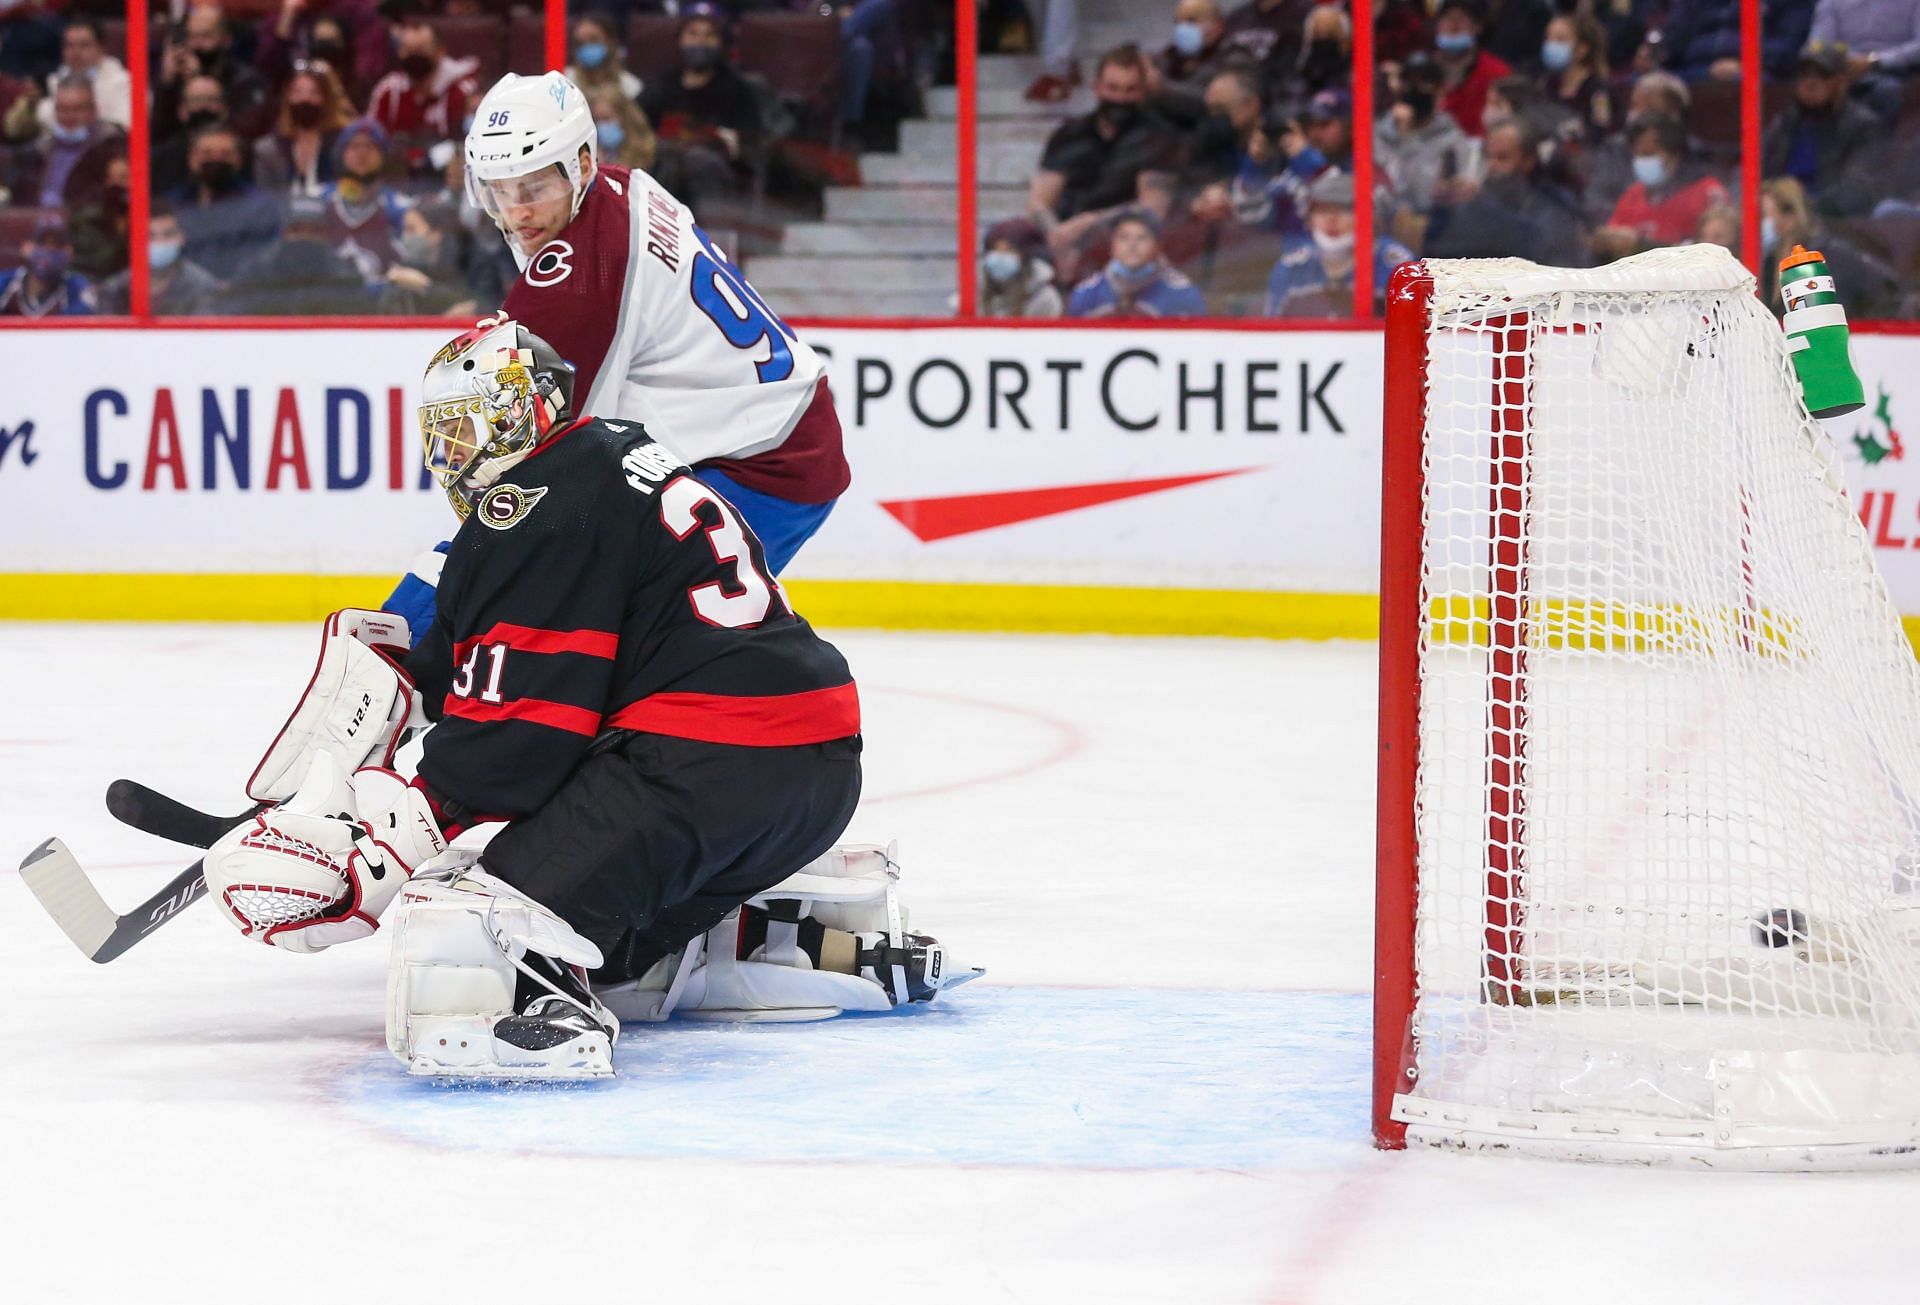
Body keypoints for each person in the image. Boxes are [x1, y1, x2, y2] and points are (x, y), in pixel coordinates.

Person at [201, 320, 971, 1080]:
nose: (453, 456)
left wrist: (394, 834)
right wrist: (406, 689)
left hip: (703, 769)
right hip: (815, 774)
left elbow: (522, 739)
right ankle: (777, 940)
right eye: (441, 436)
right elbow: (511, 653)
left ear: (518, 412)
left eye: (465, 430)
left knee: (477, 927)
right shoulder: (609, 458)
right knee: (613, 952)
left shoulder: (530, 504)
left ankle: (546, 1009)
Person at [380, 70, 848, 646]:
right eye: (500, 189)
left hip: (761, 462)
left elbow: (539, 491)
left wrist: (414, 624)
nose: (518, 211)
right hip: (767, 432)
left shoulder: (576, 283)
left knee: (599, 623)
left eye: (534, 186)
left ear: (580, 163)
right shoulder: (622, 186)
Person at [1029, 46, 1183, 282]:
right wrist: (1057, 237)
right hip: (1063, 237)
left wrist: (1087, 224)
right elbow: (1039, 201)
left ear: (1142, 92)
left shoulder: (1159, 136)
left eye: (1130, 90)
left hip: (1124, 242)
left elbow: (1152, 209)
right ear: (1097, 87)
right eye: (1113, 88)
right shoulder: (1070, 134)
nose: (1120, 98)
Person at [639, 4, 763, 212]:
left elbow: (748, 145)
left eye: (709, 35)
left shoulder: (736, 89)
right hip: (664, 172)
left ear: (721, 42)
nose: (700, 41)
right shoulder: (662, 87)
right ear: (680, 39)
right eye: (693, 34)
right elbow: (636, 126)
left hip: (715, 182)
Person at [1423, 119, 1588, 266]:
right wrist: (1443, 209)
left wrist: (1481, 206)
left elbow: (1545, 258)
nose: (1492, 165)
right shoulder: (1470, 202)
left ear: (1528, 161)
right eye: (1488, 157)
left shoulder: (1553, 208)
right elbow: (1437, 255)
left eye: (1502, 158)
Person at [1265, 170, 1414, 318]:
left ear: (1367, 216)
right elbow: (1271, 332)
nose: (1331, 219)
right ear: (1309, 219)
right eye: (1322, 210)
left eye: (1343, 209)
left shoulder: (1397, 267)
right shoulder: (1291, 267)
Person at [1761, 41, 1883, 215]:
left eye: (1822, 75)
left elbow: (1858, 190)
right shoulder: (1785, 122)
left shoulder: (1863, 126)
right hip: (1778, 214)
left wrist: (1805, 208)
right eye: (1804, 75)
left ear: (1842, 82)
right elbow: (1754, 173)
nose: (1809, 83)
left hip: (1833, 222)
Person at [1761, 175, 1901, 317]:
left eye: (1763, 215)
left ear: (1790, 217)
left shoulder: (1827, 262)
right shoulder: (1770, 263)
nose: (1758, 222)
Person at [1593, 112, 1729, 257]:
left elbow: (1716, 252)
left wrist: (1641, 245)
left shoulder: (1707, 192)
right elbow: (1614, 235)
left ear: (1674, 154)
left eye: (1648, 154)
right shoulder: (1633, 194)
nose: (1640, 161)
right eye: (1637, 155)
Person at [224, 193, 374, 315]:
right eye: (297, 230)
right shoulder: (256, 273)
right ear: (284, 233)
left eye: (314, 231)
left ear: (326, 235)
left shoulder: (345, 277)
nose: (305, 237)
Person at [172, 123, 283, 281]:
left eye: (225, 154)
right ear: (191, 159)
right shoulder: (174, 203)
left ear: (238, 160)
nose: (216, 159)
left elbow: (261, 257)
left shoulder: (259, 205)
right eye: (207, 153)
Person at [1375, 52, 1477, 218]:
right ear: (1398, 86)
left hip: (1433, 228)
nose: (1415, 89)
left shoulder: (1453, 140)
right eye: (1408, 81)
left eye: (1425, 82)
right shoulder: (1376, 135)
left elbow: (1425, 196)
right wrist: (1401, 132)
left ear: (1440, 90)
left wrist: (1407, 138)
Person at [367, 15, 479, 154]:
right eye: (408, 50)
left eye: (420, 50)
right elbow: (370, 139)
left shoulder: (463, 87)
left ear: (440, 51)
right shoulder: (388, 92)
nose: (413, 57)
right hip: (399, 169)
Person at [1067, 208, 1205, 318]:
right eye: (1123, 237)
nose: (1132, 245)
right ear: (1112, 245)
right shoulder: (1086, 293)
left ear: (1157, 246)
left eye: (1142, 238)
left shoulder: (1182, 293)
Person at [98, 202, 226, 315]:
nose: (160, 242)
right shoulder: (112, 290)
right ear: (133, 241)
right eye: (150, 236)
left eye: (168, 234)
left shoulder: (204, 288)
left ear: (182, 238)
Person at [322, 117, 408, 278]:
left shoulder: (399, 207)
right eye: (354, 146)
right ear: (342, 154)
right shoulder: (319, 200)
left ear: (383, 156)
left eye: (370, 146)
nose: (362, 154)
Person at [253, 62, 355, 197]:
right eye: (297, 92)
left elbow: (353, 194)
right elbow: (265, 201)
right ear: (287, 97)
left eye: (314, 93)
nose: (305, 99)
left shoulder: (346, 146)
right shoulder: (268, 151)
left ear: (326, 98)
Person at [1147, 0, 1238, 127]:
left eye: (1191, 21)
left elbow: (1214, 104)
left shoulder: (1234, 58)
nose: (1182, 28)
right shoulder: (1167, 56)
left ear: (1217, 26)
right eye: (1177, 22)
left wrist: (1161, 89)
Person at [379, 200, 475, 316]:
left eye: (412, 230)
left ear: (436, 234)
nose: (405, 237)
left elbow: (477, 303)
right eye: (404, 230)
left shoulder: (471, 261)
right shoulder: (407, 267)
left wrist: (425, 286)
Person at [1433, 0, 1513, 138]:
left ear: (1478, 26)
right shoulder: (1422, 69)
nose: (1453, 25)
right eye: (1447, 17)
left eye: (1461, 18)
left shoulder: (1497, 72)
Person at [33, 17, 129, 130]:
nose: (76, 53)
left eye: (84, 45)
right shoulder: (54, 81)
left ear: (101, 48)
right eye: (69, 45)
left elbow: (125, 126)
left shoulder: (125, 83)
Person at [1538, 11, 1614, 143]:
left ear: (1581, 49)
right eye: (1548, 38)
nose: (1550, 44)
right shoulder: (1547, 83)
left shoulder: (1598, 90)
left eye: (1560, 39)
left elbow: (1599, 128)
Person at [0, 215, 95, 316]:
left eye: (58, 244)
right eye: (41, 243)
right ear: (26, 248)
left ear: (69, 251)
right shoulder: (5, 284)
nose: (50, 250)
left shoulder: (78, 288)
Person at [975, 217, 1064, 317]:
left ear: (1026, 256)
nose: (1000, 257)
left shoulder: (1045, 299)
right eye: (995, 250)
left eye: (1009, 250)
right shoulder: (974, 296)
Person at [568, 11, 643, 103]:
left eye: (593, 40)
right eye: (580, 43)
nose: (587, 47)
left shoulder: (630, 86)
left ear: (611, 41)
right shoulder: (565, 81)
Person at [587, 85, 657, 174]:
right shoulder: (594, 156)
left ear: (625, 117)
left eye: (606, 118)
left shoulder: (652, 153)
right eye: (597, 120)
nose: (602, 126)